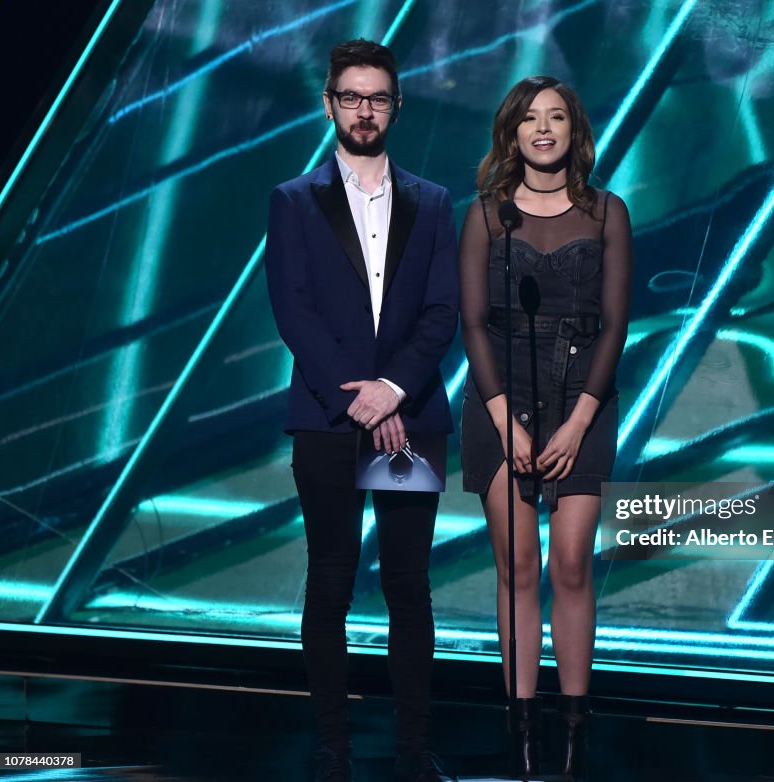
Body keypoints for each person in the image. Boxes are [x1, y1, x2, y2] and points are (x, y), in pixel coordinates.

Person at [265, 39, 458, 782]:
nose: (364, 109)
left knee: (409, 582)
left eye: (377, 97)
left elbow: (441, 312)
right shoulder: (292, 200)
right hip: (326, 420)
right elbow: (295, 311)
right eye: (351, 96)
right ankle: (333, 745)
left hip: (408, 424)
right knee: (332, 576)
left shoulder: (434, 202)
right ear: (329, 104)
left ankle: (413, 748)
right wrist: (363, 398)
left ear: (396, 105)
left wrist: (394, 393)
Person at [459, 76, 632, 779]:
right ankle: (521, 734)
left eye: (557, 116)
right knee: (518, 569)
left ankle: (573, 737)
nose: (543, 128)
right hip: (501, 401)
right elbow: (472, 323)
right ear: (512, 132)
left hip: (582, 402)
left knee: (569, 565)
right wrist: (508, 421)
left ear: (574, 130)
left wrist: (577, 422)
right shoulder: (486, 216)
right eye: (530, 117)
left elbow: (617, 324)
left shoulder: (605, 212)